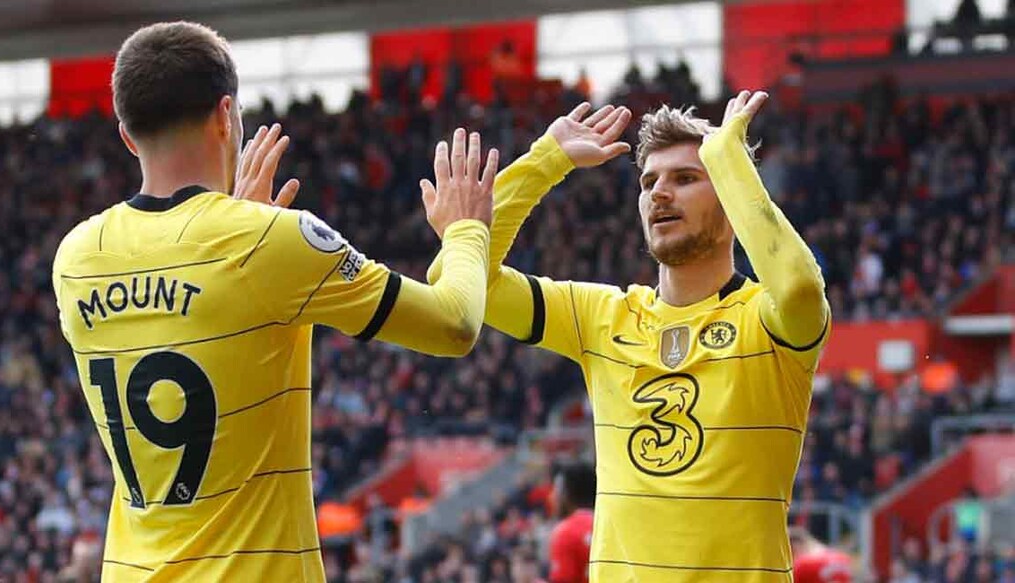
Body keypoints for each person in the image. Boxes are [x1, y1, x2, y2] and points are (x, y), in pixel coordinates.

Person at [52, 21, 500, 581]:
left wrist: (233, 223)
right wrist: (465, 229)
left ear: (126, 135)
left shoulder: (76, 257)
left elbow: (180, 304)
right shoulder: (269, 243)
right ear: (226, 115)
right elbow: (454, 324)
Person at [433, 91, 830, 580]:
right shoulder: (602, 317)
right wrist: (545, 161)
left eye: (686, 178)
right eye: (649, 182)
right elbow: (463, 279)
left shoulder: (766, 321)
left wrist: (729, 160)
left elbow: (800, 288)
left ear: (730, 196)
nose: (660, 193)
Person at [548, 463, 596, 583]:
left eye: (555, 490)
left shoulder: (566, 532)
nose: (551, 497)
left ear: (566, 494)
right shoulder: (610, 525)